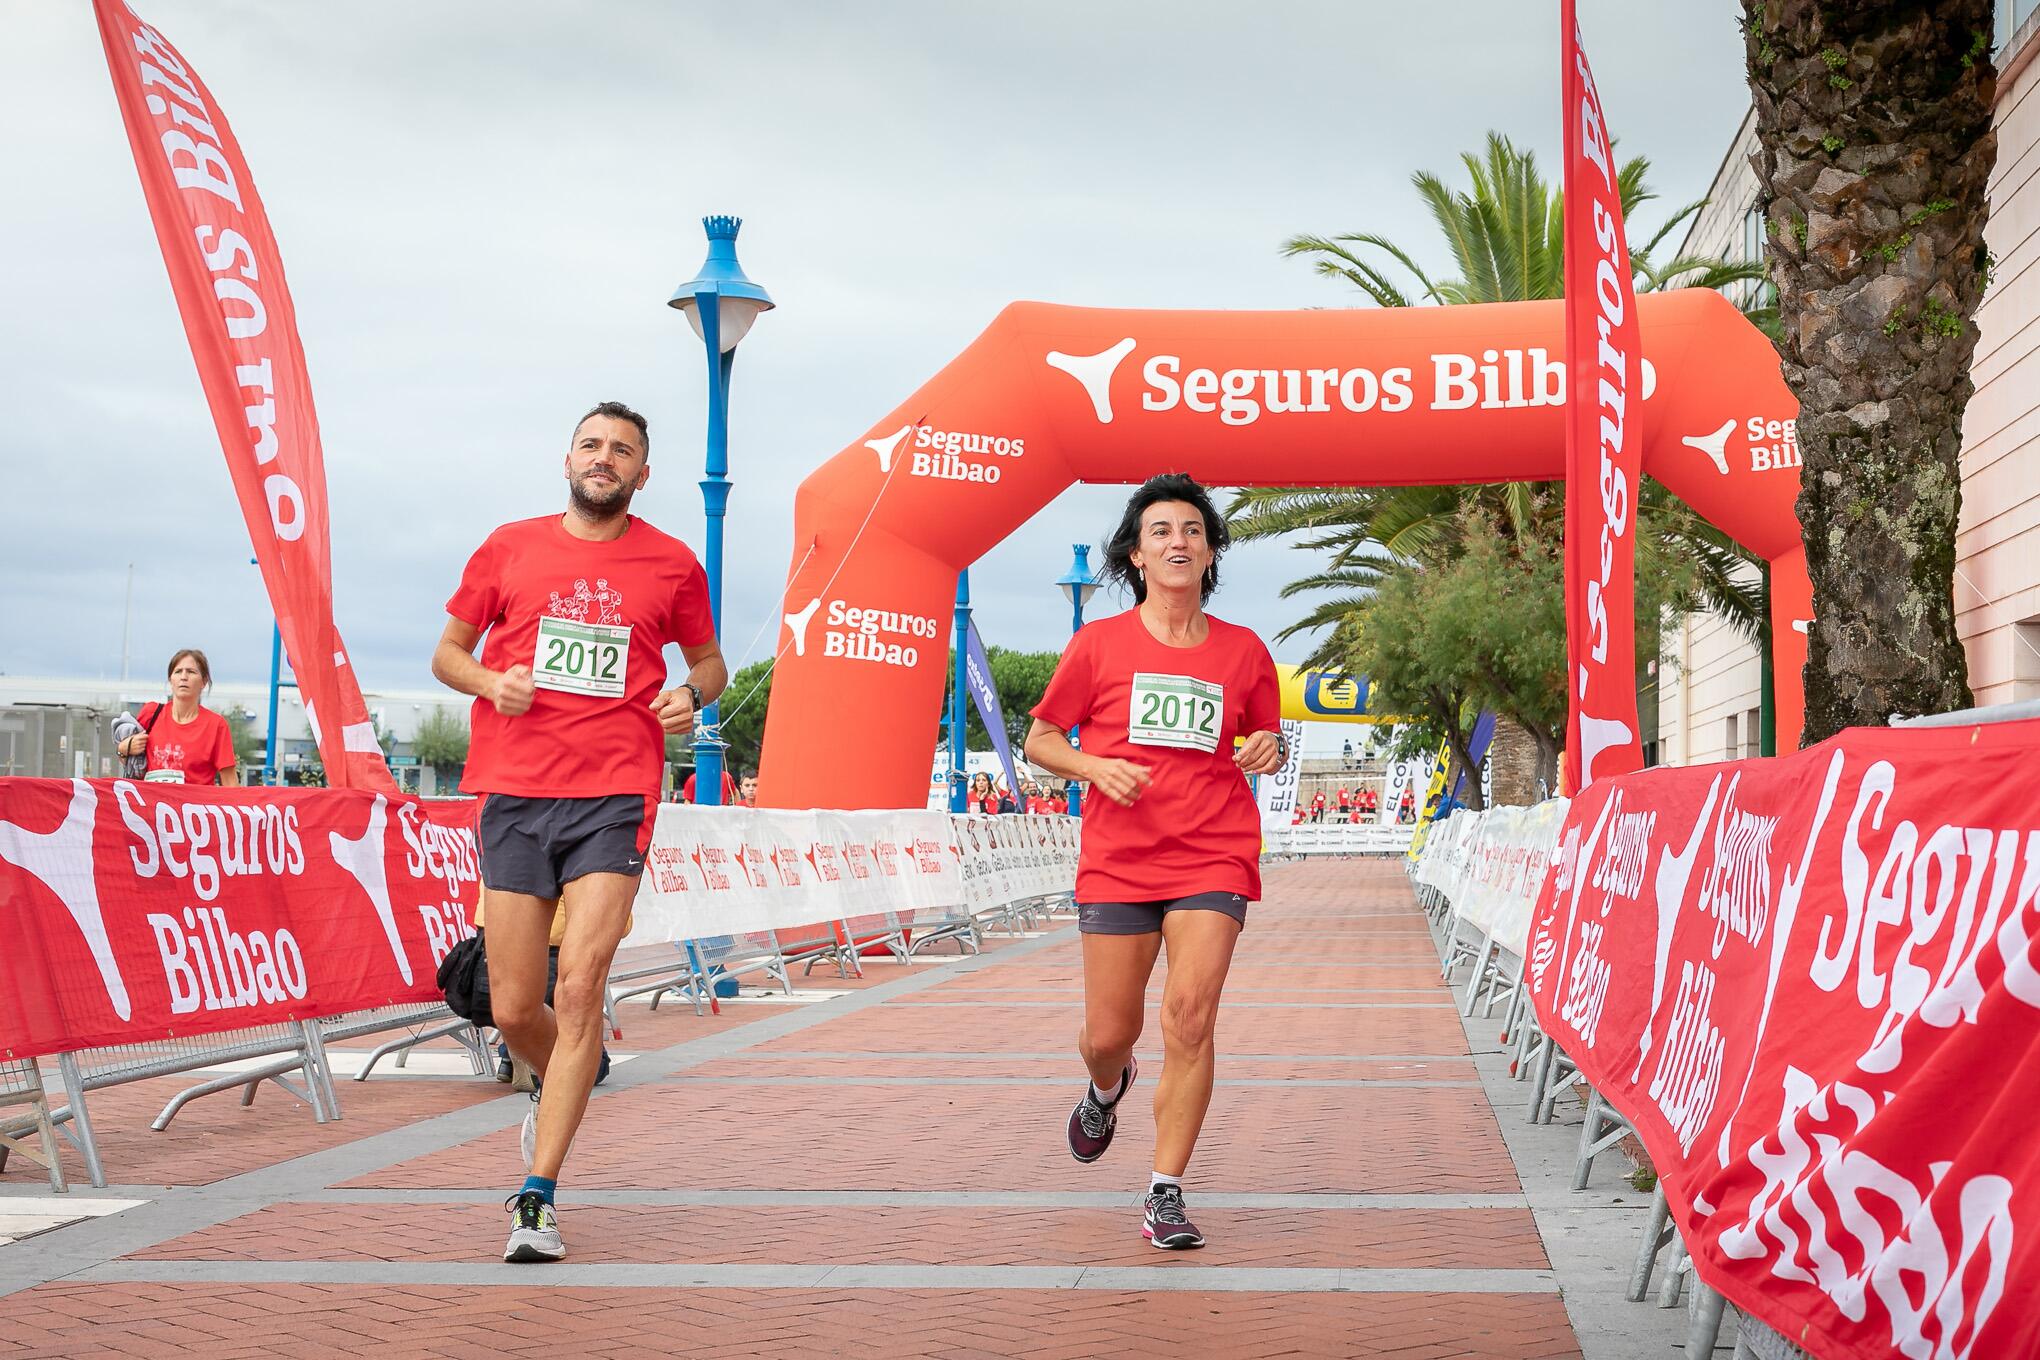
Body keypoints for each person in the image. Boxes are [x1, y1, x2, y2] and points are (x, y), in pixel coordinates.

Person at [431, 400, 727, 1264]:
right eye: (592, 445)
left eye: (622, 450)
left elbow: (708, 662)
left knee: (585, 981)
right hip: (516, 791)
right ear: (568, 459)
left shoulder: (672, 563)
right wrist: (490, 682)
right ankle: (568, 1069)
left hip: (616, 793)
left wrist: (693, 694)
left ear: (642, 474)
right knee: (520, 1005)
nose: (605, 459)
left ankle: (537, 1197)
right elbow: (446, 653)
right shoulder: (508, 546)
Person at [1023, 472, 1281, 1251]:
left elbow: (1262, 739)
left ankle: (1165, 1190)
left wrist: (1269, 747)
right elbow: (1041, 740)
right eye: (1162, 531)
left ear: (1209, 555)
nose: (1179, 541)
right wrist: (1093, 768)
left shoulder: (1244, 651)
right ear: (1137, 555)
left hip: (1213, 856)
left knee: (1191, 1019)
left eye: (1193, 531)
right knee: (1110, 1031)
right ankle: (1107, 1085)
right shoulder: (1098, 644)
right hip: (1120, 861)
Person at [113, 649, 241, 786]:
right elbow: (133, 763)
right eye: (178, 671)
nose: (183, 677)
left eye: (191, 672)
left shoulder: (216, 725)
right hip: (153, 805)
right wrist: (123, 749)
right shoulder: (151, 714)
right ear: (170, 679)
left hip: (193, 806)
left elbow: (230, 782)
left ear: (204, 682)